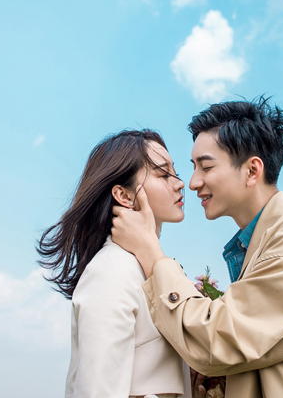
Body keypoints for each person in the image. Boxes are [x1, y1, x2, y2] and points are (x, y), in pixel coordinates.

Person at [111, 98, 283, 398]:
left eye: (206, 167)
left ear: (252, 171)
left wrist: (150, 252)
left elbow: (215, 343)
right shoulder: (266, 242)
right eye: (192, 168)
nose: (192, 183)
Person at [37, 129, 193, 398]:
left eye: (175, 172)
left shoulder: (147, 269)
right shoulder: (112, 270)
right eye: (163, 174)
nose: (180, 183)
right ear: (123, 195)